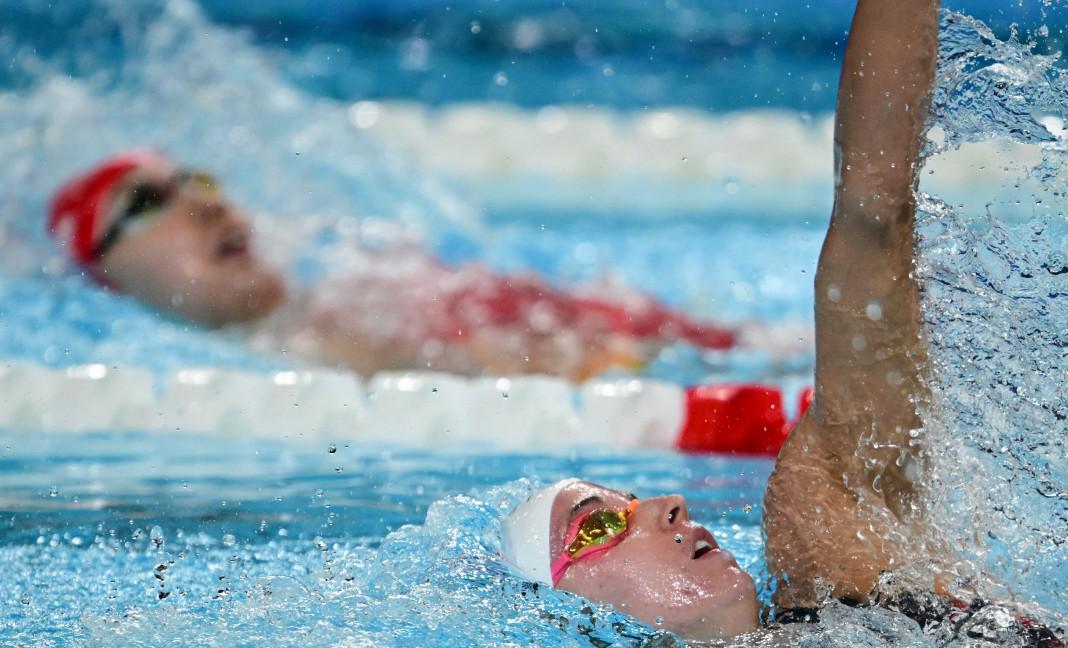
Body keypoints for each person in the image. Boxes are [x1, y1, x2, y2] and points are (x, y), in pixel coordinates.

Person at [500, 0, 1068, 648]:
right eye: (597, 528)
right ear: (575, 616)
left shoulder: (831, 548)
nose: (668, 503)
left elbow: (873, 211)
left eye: (632, 500)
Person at [47, 151, 740, 381]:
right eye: (145, 202)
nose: (203, 205)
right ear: (103, 275)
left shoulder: (343, 286)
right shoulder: (300, 357)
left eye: (197, 180)